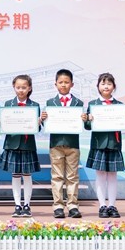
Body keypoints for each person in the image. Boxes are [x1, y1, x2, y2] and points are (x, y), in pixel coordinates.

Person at [0, 74, 42, 218]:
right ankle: (17, 205)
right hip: (12, 144)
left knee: (27, 175)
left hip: (27, 144)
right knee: (15, 175)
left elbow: (37, 129)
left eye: (24, 87)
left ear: (29, 88)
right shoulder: (8, 104)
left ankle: (27, 205)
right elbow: (4, 127)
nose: (21, 90)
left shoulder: (35, 105)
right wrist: (1, 123)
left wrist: (38, 123)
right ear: (14, 87)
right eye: (18, 87)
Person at [45, 68, 85, 219]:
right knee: (57, 176)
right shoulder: (50, 103)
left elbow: (83, 124)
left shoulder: (78, 103)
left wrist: (84, 119)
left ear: (72, 84)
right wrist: (44, 119)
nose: (63, 85)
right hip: (56, 144)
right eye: (60, 82)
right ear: (55, 84)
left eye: (66, 82)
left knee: (72, 176)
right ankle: (58, 206)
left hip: (73, 144)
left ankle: (73, 205)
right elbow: (46, 124)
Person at [84, 73, 124, 219]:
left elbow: (123, 124)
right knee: (100, 175)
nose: (106, 86)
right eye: (103, 83)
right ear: (98, 86)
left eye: (109, 84)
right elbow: (88, 126)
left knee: (112, 175)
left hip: (114, 143)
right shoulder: (93, 104)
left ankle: (112, 205)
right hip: (99, 144)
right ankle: (102, 205)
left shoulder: (119, 105)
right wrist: (88, 120)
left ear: (114, 86)